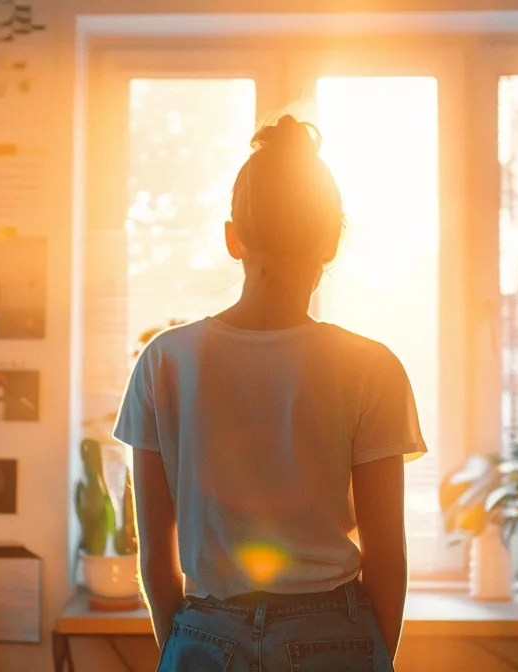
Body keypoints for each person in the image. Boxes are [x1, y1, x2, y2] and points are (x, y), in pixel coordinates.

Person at [116, 116, 422, 672]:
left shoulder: (165, 360)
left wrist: (185, 645)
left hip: (204, 633)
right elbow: (388, 557)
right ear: (330, 243)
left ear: (233, 238)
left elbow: (156, 559)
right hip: (336, 634)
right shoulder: (371, 366)